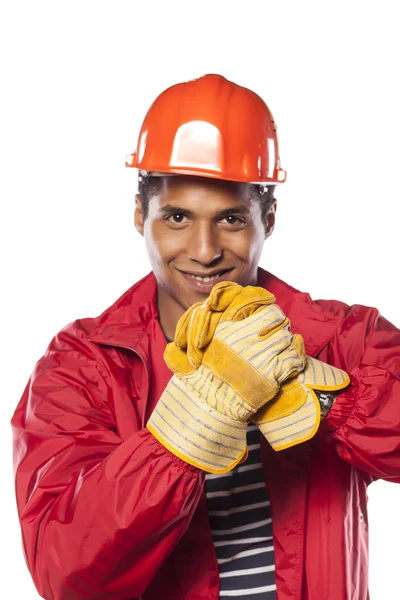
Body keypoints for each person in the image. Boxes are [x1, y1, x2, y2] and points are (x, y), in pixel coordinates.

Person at [11, 74, 400, 600]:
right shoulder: (81, 367)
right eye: (176, 217)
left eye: (232, 219)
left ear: (268, 220)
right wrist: (183, 436)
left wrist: (326, 395)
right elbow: (68, 574)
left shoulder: (341, 337)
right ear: (139, 218)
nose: (204, 250)